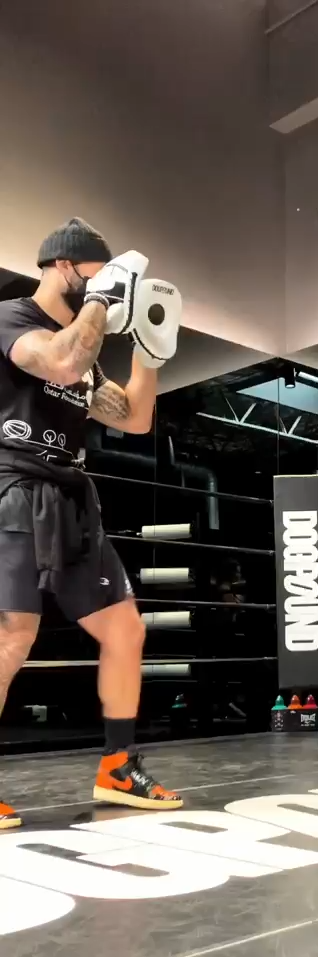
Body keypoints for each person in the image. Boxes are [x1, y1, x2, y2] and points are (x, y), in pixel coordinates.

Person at [0, 217, 183, 828]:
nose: (107, 285)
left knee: (125, 630)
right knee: (12, 635)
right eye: (97, 273)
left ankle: (118, 767)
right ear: (62, 266)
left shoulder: (87, 346)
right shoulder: (13, 319)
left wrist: (152, 354)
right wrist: (103, 300)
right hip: (13, 487)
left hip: (72, 495)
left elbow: (133, 417)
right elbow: (60, 362)